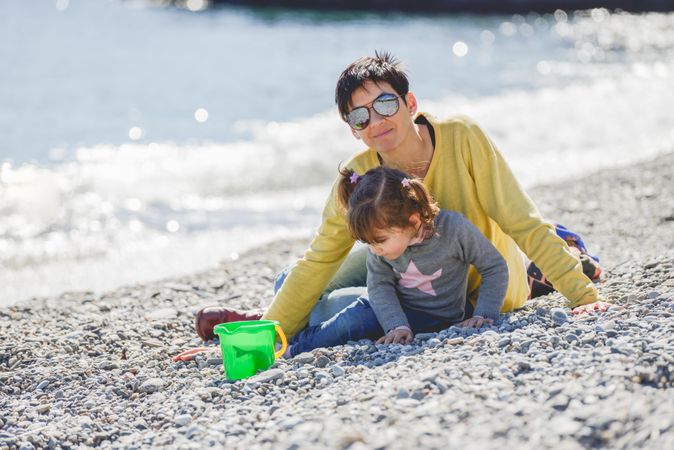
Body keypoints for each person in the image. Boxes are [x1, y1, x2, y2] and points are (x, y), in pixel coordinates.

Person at [193, 51, 609, 345]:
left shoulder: (463, 137)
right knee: (301, 275)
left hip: (465, 294)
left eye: (385, 103)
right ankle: (270, 319)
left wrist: (583, 297)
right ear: (352, 128)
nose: (375, 120)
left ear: (410, 103)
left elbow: (521, 220)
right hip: (402, 264)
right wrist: (268, 339)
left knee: (348, 307)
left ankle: (278, 317)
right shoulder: (358, 173)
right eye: (359, 116)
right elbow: (320, 258)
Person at [281, 166, 508, 356]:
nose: (374, 249)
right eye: (367, 242)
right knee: (350, 318)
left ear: (413, 221)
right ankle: (293, 346)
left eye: (379, 240)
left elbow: (494, 266)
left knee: (349, 316)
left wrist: (483, 315)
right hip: (394, 310)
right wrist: (396, 325)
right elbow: (379, 285)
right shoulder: (380, 248)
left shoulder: (454, 229)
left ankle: (295, 338)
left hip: (443, 316)